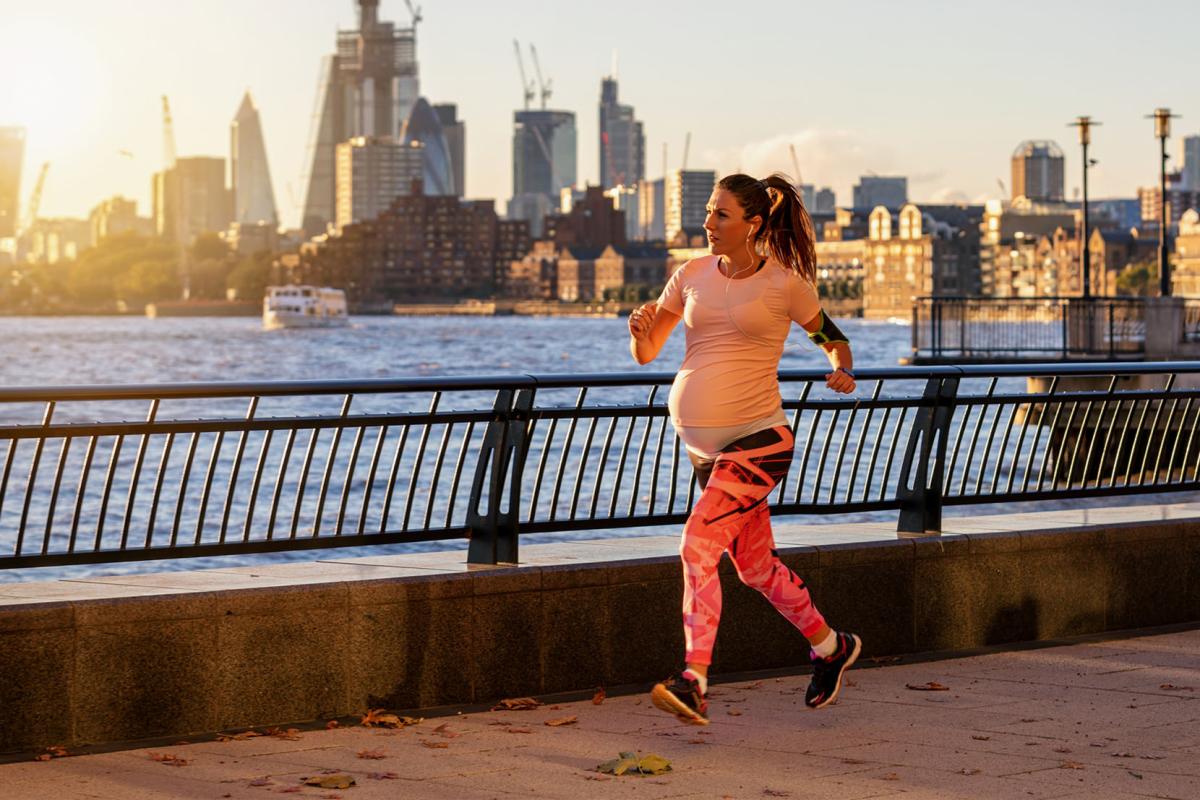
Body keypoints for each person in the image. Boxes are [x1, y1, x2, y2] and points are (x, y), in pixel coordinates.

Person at [628, 173, 861, 725]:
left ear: (752, 224)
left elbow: (831, 335)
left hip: (760, 439)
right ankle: (832, 648)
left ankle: (693, 680)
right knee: (755, 568)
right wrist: (638, 330)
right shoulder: (688, 275)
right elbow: (647, 352)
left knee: (697, 544)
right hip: (704, 453)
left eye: (721, 215)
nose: (708, 223)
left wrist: (841, 370)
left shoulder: (784, 283)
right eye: (709, 212)